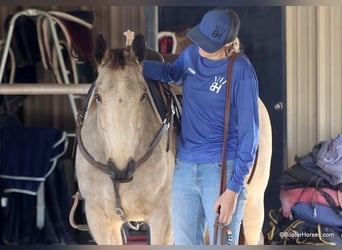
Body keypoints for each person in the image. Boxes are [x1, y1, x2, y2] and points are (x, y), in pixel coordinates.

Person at [142, 7, 259, 245]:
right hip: (184, 168)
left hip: (221, 171)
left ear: (227, 43)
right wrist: (133, 65)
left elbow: (250, 134)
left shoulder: (240, 69)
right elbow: (171, 73)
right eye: (201, 39)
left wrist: (233, 190)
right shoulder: (192, 55)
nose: (202, 46)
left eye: (210, 43)